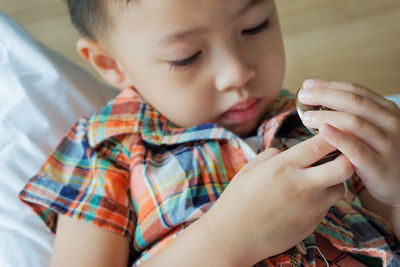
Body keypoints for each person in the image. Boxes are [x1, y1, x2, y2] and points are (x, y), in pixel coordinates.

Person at [19, 0, 400, 266]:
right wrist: (225, 240)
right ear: (112, 65)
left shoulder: (326, 121)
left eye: (255, 26)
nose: (237, 72)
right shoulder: (106, 148)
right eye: (186, 56)